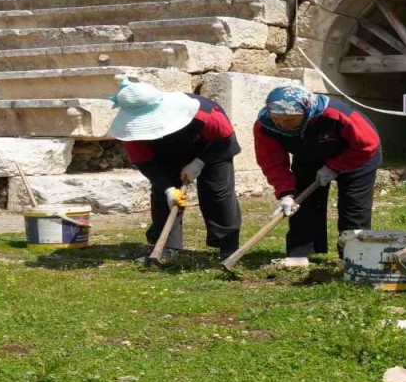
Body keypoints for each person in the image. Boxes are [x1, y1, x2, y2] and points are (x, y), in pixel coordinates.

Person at [108, 80, 241, 259]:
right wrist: (169, 188)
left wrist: (199, 162)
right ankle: (167, 247)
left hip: (211, 147)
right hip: (164, 154)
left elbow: (225, 140)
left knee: (217, 192)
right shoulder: (132, 132)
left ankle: (228, 246)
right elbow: (145, 162)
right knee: (164, 196)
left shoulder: (205, 113)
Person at [254, 86, 382, 267]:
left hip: (356, 156)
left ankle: (353, 256)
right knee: (303, 203)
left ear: (307, 111)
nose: (282, 125)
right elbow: (272, 161)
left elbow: (368, 144)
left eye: (290, 120)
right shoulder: (265, 125)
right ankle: (299, 254)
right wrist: (286, 193)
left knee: (354, 207)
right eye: (277, 119)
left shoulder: (338, 115)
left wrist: (335, 166)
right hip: (309, 157)